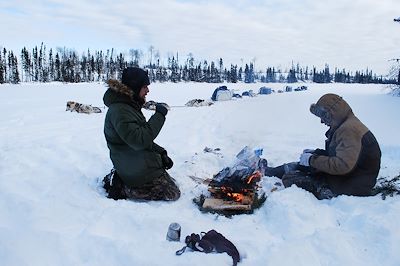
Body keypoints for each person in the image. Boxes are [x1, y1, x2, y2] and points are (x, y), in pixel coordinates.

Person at [264, 93, 381, 199]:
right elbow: (341, 155)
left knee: (291, 178)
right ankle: (271, 172)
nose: (321, 121)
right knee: (303, 165)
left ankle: (324, 190)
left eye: (323, 116)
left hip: (352, 184)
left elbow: (343, 165)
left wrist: (312, 160)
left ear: (331, 114)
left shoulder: (348, 130)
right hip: (351, 177)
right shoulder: (346, 125)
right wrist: (315, 154)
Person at [102, 67, 180, 201]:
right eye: (145, 87)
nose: (148, 91)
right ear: (134, 88)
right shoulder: (120, 111)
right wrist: (159, 115)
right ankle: (120, 186)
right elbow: (139, 141)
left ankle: (122, 177)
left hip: (135, 159)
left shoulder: (129, 106)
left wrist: (161, 153)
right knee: (172, 193)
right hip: (131, 165)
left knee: (170, 183)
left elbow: (142, 135)